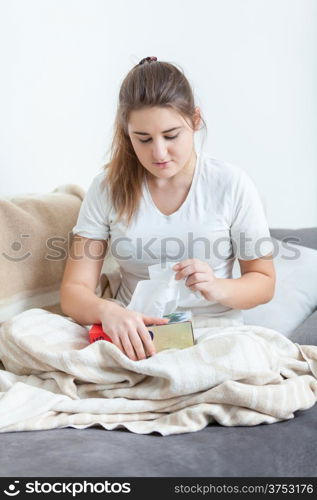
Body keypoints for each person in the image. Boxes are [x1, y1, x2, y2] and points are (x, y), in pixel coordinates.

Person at [60, 56, 275, 362]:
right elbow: (74, 289)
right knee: (23, 330)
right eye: (143, 139)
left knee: (241, 360)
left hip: (213, 334)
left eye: (171, 135)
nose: (158, 152)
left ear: (195, 120)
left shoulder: (231, 184)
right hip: (135, 332)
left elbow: (263, 282)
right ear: (126, 132)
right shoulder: (107, 187)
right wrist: (109, 311)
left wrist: (217, 287)